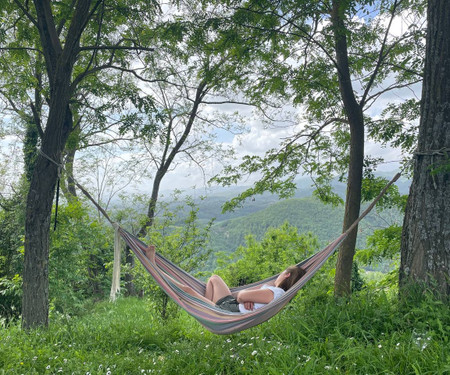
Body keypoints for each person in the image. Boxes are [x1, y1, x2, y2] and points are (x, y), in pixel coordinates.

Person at [144, 245, 306, 313]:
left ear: (287, 275)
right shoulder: (276, 291)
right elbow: (265, 287)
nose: (279, 274)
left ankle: (154, 268)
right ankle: (206, 307)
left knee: (187, 290)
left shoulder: (275, 293)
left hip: (229, 311)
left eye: (282, 272)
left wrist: (245, 298)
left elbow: (241, 295)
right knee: (214, 278)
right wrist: (248, 298)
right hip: (232, 305)